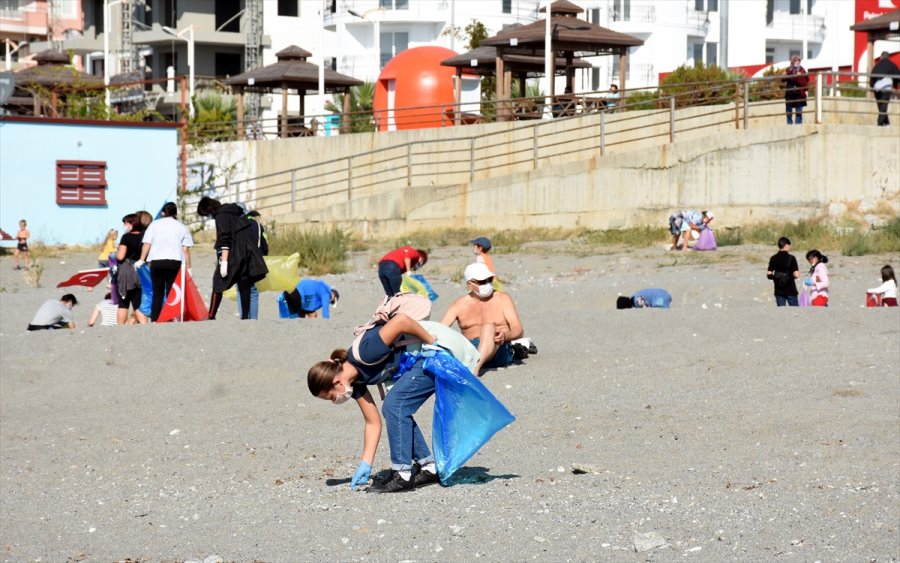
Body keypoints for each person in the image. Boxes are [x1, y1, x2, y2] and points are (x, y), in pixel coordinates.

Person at [307, 313, 442, 493]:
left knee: (394, 405)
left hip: (429, 357)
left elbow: (401, 320)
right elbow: (373, 422)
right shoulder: (354, 383)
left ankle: (402, 474)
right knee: (394, 407)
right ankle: (429, 467)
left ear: (336, 383)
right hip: (417, 363)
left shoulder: (366, 351)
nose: (334, 401)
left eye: (331, 397)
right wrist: (366, 463)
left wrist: (432, 343)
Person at [441, 262, 524, 375]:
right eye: (482, 282)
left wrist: (505, 335)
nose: (487, 284)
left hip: (498, 351)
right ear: (470, 284)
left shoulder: (502, 298)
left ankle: (474, 369)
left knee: (489, 327)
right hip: (470, 350)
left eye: (489, 279)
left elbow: (518, 329)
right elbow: (441, 329)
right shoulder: (459, 305)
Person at [196, 197, 268, 321]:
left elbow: (225, 238)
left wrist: (224, 262)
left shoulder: (221, 216)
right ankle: (245, 317)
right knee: (244, 282)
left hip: (233, 253)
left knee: (218, 283)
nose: (208, 217)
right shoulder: (235, 211)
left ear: (208, 210)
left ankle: (211, 316)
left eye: (206, 214)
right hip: (247, 251)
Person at [136, 202, 193, 322]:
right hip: (175, 261)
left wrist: (141, 259)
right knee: (173, 292)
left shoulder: (154, 225)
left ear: (163, 212)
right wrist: (189, 268)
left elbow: (147, 243)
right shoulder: (181, 226)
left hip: (157, 262)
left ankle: (156, 320)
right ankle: (172, 318)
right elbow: (186, 249)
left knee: (158, 292)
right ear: (175, 213)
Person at [115, 213, 149, 325]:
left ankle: (120, 327)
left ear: (131, 223)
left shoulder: (126, 237)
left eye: (125, 223)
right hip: (140, 271)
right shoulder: (145, 236)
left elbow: (120, 256)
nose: (124, 226)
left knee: (123, 302)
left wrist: (115, 253)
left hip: (127, 273)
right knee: (138, 302)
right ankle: (143, 324)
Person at [767, 236, 801, 306]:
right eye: (789, 245)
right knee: (795, 311)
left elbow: (769, 274)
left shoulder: (773, 258)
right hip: (791, 289)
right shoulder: (792, 258)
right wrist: (792, 276)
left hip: (778, 289)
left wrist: (776, 277)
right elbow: (797, 274)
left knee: (781, 313)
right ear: (786, 246)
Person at [870, 52, 900, 127]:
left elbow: (872, 78)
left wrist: (873, 87)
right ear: (888, 57)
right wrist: (896, 86)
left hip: (877, 87)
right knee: (883, 106)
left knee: (881, 106)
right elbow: (897, 76)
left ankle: (886, 123)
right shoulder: (892, 65)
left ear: (881, 57)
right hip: (886, 87)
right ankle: (880, 123)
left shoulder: (876, 66)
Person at [783, 55, 809, 125]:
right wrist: (784, 75)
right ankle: (789, 124)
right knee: (788, 109)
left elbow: (805, 82)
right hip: (789, 92)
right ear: (792, 61)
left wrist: (800, 76)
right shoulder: (788, 69)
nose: (797, 62)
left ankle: (798, 125)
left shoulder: (802, 70)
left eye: (799, 61)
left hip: (799, 93)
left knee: (798, 110)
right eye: (796, 61)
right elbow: (783, 79)